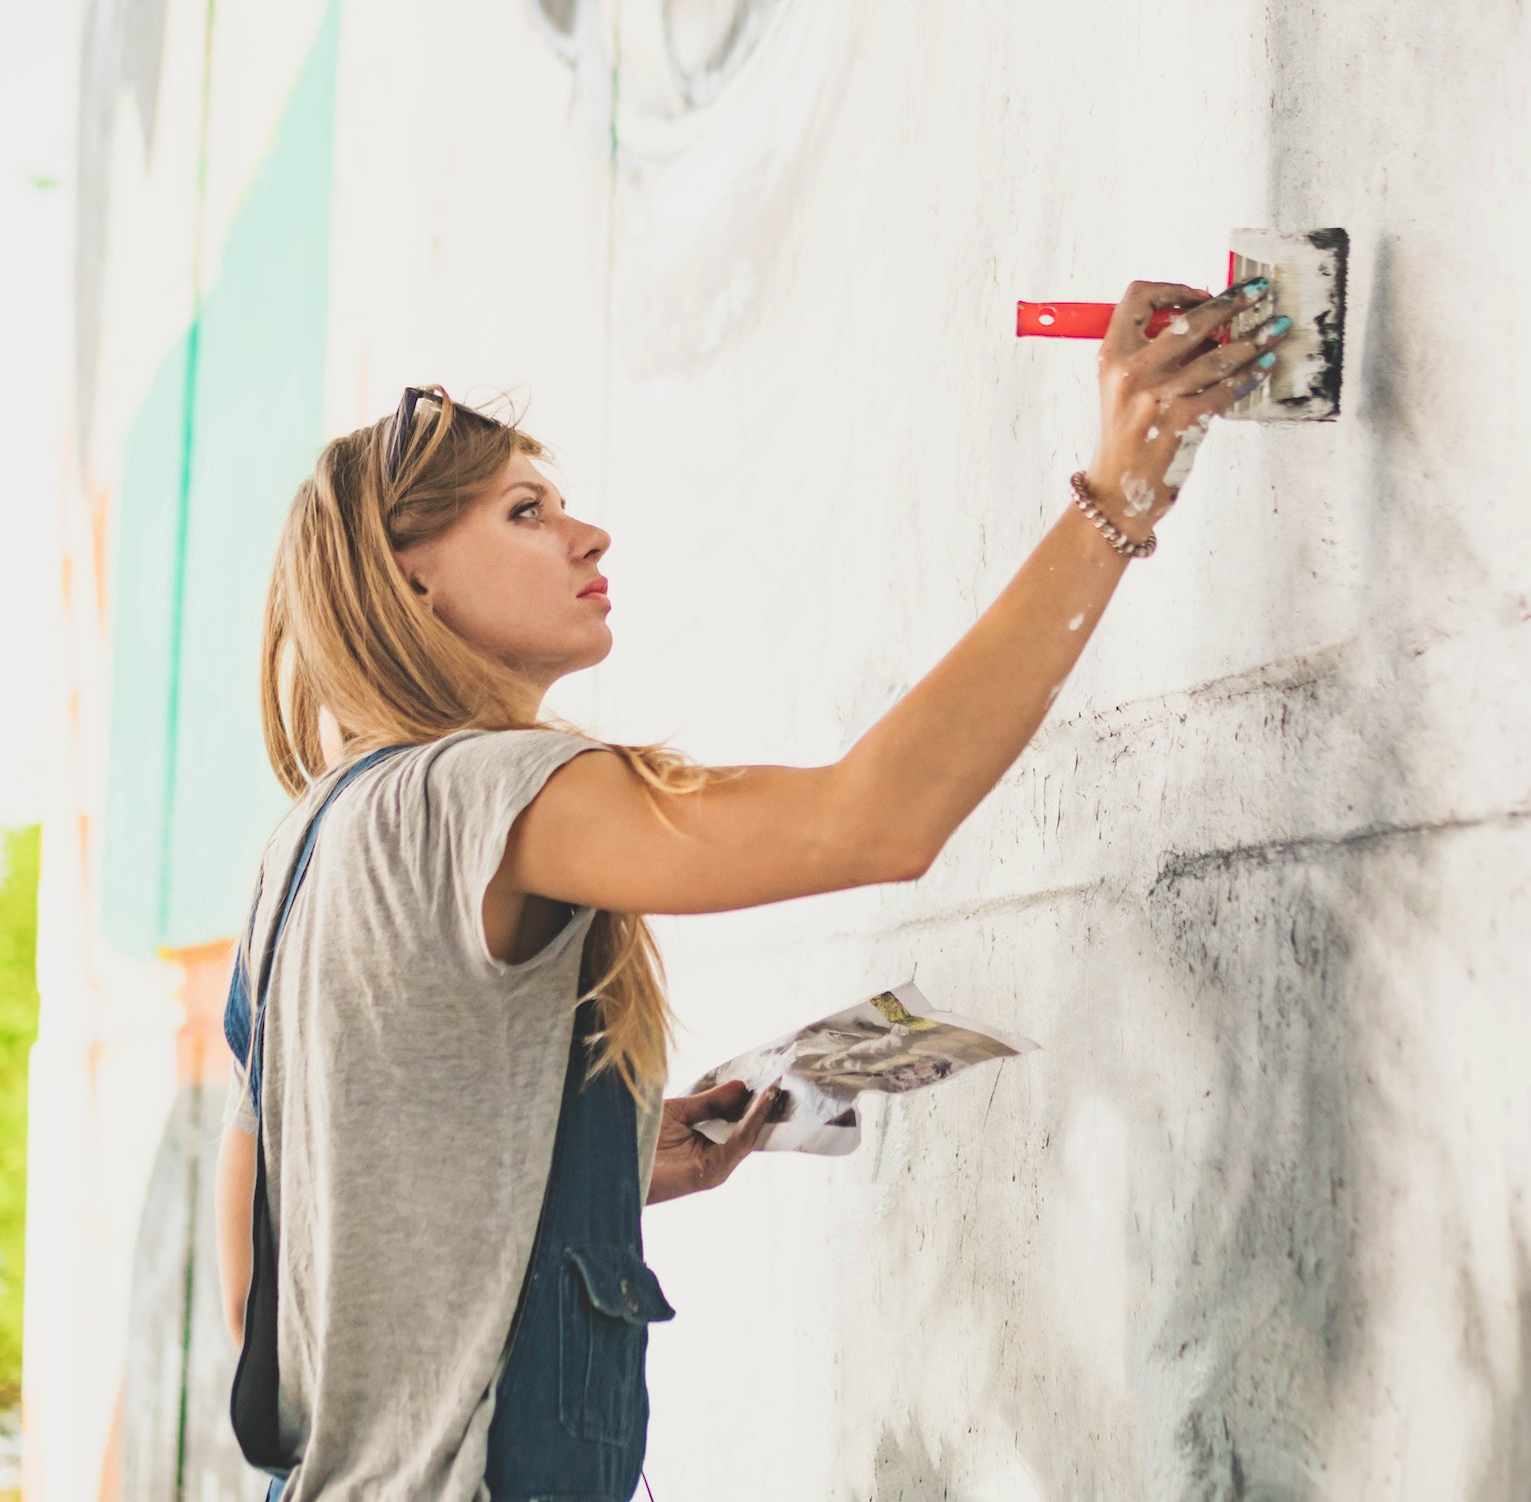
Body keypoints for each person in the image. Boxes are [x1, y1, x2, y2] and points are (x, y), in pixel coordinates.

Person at [212, 279, 1289, 1501]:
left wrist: (582, 1171)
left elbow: (263, 1281)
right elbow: (874, 820)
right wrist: (1117, 493)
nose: (587, 536)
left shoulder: (298, 855)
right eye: (525, 511)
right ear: (412, 584)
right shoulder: (481, 796)